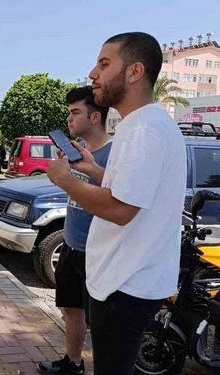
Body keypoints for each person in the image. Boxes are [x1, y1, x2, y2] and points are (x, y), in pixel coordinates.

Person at [47, 32, 187, 375]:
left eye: (104, 64)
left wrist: (64, 179)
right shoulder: (141, 125)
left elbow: (120, 209)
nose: (93, 73)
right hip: (126, 280)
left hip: (124, 283)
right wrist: (94, 171)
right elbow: (130, 194)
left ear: (134, 72)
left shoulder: (144, 130)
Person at [37, 86, 111, 375]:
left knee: (101, 320)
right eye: (68, 112)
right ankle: (73, 362)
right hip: (71, 243)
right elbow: (76, 192)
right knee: (71, 309)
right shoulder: (78, 150)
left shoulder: (113, 153)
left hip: (98, 252)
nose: (69, 118)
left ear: (95, 117)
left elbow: (119, 196)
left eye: (75, 112)